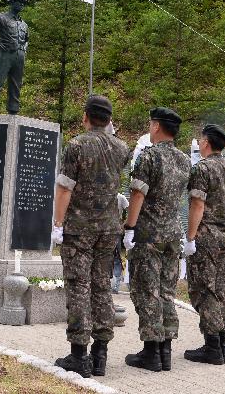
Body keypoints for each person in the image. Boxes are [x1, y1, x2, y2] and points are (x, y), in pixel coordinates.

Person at [50, 95, 130, 378]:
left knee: (78, 286)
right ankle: (101, 354)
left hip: (79, 228)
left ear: (86, 116)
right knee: (101, 287)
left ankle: (78, 355)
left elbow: (64, 188)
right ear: (109, 120)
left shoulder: (76, 146)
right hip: (109, 229)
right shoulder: (122, 148)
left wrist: (57, 223)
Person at [122, 107, 190, 372]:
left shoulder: (148, 157)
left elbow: (138, 195)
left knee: (146, 290)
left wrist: (130, 227)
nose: (149, 128)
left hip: (149, 233)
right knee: (166, 291)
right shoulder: (184, 160)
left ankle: (151, 352)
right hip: (174, 232)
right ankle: (166, 350)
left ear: (157, 127)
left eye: (151, 124)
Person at [181, 124, 225, 365]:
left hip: (205, 236)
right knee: (221, 289)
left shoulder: (202, 169)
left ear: (206, 143)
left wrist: (190, 237)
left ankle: (212, 346)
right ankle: (223, 343)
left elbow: (197, 205)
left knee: (205, 290)